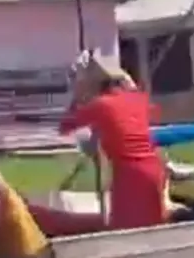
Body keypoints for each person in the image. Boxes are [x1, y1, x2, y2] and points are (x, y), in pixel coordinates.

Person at [58, 50, 168, 230]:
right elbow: (153, 111)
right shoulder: (138, 99)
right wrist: (130, 85)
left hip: (129, 174)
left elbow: (65, 126)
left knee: (124, 231)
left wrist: (78, 95)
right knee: (155, 228)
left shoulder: (101, 105)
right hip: (155, 169)